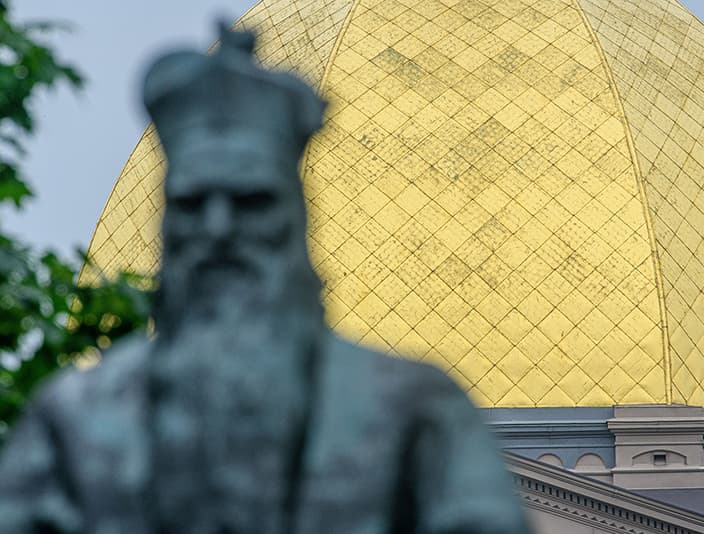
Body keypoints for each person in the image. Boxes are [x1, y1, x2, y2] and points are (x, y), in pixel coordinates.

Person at [0, 25, 530, 533]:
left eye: (251, 203)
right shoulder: (71, 424)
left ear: (295, 218)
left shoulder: (415, 415)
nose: (219, 230)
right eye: (190, 204)